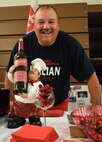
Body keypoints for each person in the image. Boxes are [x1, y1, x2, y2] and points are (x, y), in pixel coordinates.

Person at [5, 5, 101, 114]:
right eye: (40, 22)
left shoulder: (70, 44)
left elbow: (90, 75)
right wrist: (11, 103)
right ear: (34, 25)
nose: (46, 26)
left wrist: (96, 109)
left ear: (58, 25)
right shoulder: (22, 45)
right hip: (28, 106)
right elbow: (10, 74)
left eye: (51, 22)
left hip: (59, 106)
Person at [7, 58, 47, 128]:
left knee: (34, 116)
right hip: (19, 104)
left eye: (35, 71)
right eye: (32, 70)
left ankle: (33, 118)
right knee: (18, 114)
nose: (32, 71)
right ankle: (19, 119)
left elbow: (38, 95)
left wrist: (27, 96)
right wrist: (10, 72)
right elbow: (13, 79)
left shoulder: (39, 85)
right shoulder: (23, 78)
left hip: (31, 106)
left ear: (38, 75)